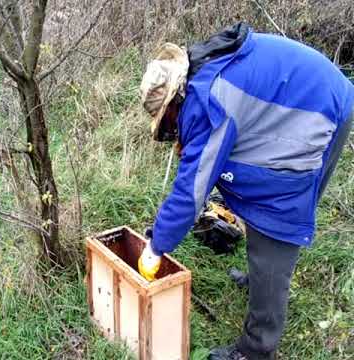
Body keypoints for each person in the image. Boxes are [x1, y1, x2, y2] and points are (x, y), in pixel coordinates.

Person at [137, 22, 354, 360]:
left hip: (318, 108)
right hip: (313, 94)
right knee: (257, 195)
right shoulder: (203, 72)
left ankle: (256, 348)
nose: (169, 129)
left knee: (277, 213)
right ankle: (263, 281)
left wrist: (157, 245)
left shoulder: (208, 102)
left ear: (175, 101)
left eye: (167, 121)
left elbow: (191, 192)